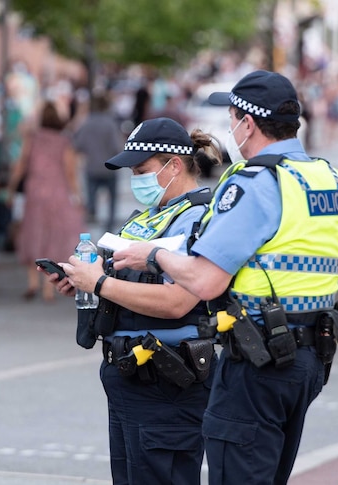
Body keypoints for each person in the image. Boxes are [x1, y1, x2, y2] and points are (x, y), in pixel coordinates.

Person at [111, 70, 338, 484]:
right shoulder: (327, 178)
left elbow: (205, 282)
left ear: (249, 123)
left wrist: (154, 256)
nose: (231, 125)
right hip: (309, 357)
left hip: (259, 361)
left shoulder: (255, 182)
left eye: (234, 116)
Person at [46, 117, 222, 485]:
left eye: (142, 170)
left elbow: (178, 302)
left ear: (174, 166)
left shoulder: (197, 220)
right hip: (131, 375)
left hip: (167, 381)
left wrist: (100, 284)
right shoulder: (147, 219)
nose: (135, 179)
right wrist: (82, 277)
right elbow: (112, 280)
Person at [6, 101, 84, 302]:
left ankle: (32, 282)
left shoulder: (32, 138)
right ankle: (49, 288)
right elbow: (70, 172)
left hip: (35, 191)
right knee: (54, 236)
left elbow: (21, 164)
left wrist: (11, 189)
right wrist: (76, 196)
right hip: (57, 191)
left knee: (33, 232)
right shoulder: (64, 142)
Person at [72, 93, 123, 233]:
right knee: (112, 202)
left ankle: (89, 229)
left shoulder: (87, 123)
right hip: (109, 167)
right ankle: (109, 229)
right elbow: (116, 147)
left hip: (92, 168)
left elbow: (78, 144)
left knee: (91, 202)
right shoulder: (110, 123)